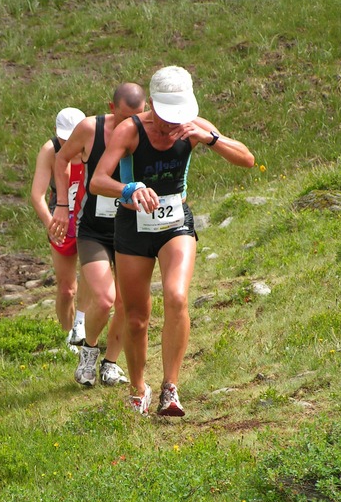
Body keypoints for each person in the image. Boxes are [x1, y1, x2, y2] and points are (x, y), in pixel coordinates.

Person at [89, 66, 255, 415]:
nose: (169, 127)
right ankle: (138, 388)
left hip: (176, 223)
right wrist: (128, 188)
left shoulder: (194, 126)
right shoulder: (129, 131)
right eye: (164, 118)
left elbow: (248, 160)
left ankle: (170, 388)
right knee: (135, 317)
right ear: (151, 104)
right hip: (133, 226)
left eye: (176, 118)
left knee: (177, 296)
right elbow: (98, 181)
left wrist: (212, 139)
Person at [51, 83, 147, 387]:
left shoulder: (149, 130)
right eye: (123, 117)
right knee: (105, 299)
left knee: (126, 303)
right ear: (111, 107)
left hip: (131, 228)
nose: (130, 124)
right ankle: (88, 353)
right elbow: (60, 158)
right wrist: (62, 205)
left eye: (138, 116)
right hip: (93, 230)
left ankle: (110, 364)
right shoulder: (90, 129)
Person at [30, 107, 89, 349]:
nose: (69, 142)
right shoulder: (50, 150)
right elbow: (37, 194)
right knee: (67, 289)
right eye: (65, 136)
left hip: (89, 218)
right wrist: (50, 223)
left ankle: (83, 329)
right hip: (62, 219)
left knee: (92, 282)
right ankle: (68, 337)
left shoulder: (93, 143)